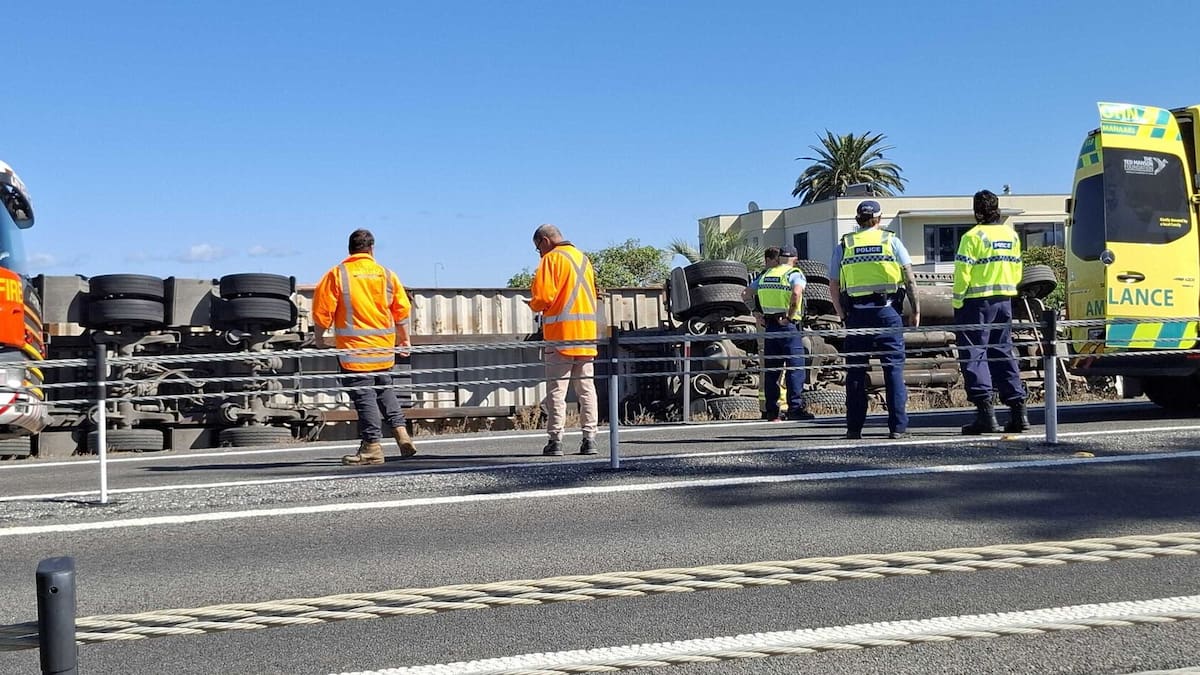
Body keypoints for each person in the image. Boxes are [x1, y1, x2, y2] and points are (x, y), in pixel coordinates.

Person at [312, 228, 417, 465]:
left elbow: (322, 312)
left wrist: (320, 340)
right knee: (384, 389)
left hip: (355, 351)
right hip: (383, 349)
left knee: (364, 395)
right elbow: (402, 311)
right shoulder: (387, 275)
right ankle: (402, 435)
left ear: (350, 250)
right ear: (371, 249)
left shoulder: (338, 274)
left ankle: (372, 446)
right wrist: (404, 339)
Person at [829, 200, 921, 440]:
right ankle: (898, 428)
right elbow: (910, 279)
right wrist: (916, 309)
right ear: (879, 218)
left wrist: (840, 313)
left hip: (857, 314)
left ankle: (854, 428)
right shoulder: (891, 241)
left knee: (856, 372)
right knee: (893, 370)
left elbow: (834, 284)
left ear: (858, 220)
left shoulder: (845, 245)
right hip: (888, 312)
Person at [953, 189, 1029, 435]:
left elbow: (962, 273)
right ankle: (1019, 411)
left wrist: (957, 301)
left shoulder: (972, 237)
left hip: (976, 302)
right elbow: (1017, 268)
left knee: (975, 354)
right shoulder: (1011, 235)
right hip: (1004, 300)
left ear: (977, 212)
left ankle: (986, 415)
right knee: (1003, 351)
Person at [528, 224, 600, 456]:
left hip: (561, 336)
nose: (539, 252)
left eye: (538, 247)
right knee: (587, 390)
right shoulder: (583, 259)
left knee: (557, 391)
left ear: (546, 241)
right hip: (587, 336)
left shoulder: (551, 260)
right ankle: (590, 439)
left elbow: (543, 298)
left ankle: (555, 440)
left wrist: (533, 304)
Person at [753, 245, 816, 422]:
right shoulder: (794, 274)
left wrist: (757, 313)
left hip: (770, 327)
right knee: (795, 368)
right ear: (795, 259)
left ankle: (772, 412)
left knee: (772, 369)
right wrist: (789, 316)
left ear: (779, 258)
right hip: (788, 327)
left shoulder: (766, 275)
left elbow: (745, 293)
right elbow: (796, 293)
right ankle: (795, 409)